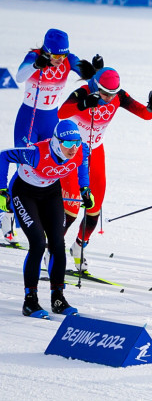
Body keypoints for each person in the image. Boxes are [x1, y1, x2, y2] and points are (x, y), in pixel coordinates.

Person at [2, 28, 101, 244]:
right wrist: (35, 66)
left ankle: (43, 215)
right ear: (46, 51)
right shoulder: (34, 56)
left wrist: (94, 70)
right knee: (25, 165)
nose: (60, 60)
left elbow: (88, 76)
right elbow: (19, 76)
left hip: (51, 121)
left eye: (63, 55)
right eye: (56, 56)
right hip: (29, 118)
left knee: (51, 165)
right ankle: (7, 215)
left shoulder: (67, 59)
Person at [57, 66, 152, 272]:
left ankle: (78, 247)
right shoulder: (83, 93)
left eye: (112, 94)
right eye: (104, 93)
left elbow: (145, 115)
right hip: (73, 152)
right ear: (96, 86)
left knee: (94, 209)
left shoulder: (118, 96)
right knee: (71, 210)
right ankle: (53, 248)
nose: (108, 98)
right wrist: (84, 104)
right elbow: (62, 112)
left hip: (96, 152)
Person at [0, 120, 92, 318]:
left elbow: (83, 160)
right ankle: (30, 301)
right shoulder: (36, 153)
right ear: (56, 142)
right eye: (67, 144)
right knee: (38, 243)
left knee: (58, 243)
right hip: (24, 193)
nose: (73, 148)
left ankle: (57, 297)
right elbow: (3, 156)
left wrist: (84, 187)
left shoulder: (80, 150)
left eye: (76, 142)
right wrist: (1, 190)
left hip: (51, 193)